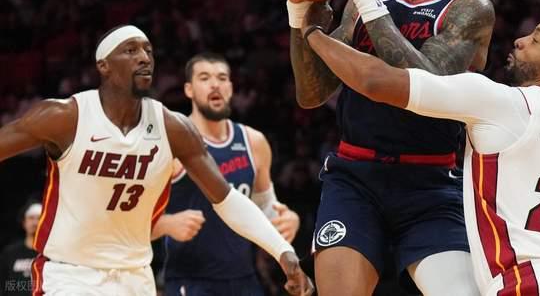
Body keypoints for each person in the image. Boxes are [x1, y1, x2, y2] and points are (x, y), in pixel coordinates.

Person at [270, 0, 495, 296]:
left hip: (431, 184)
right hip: (356, 178)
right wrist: (298, 7)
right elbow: (312, 92)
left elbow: (425, 83)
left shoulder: (470, 8)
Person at [301, 2, 540, 295]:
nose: (520, 40)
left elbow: (374, 81)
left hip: (528, 285)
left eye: (536, 39)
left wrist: (312, 32)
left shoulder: (503, 103)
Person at [0, 25, 313, 296]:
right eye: (131, 50)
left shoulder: (173, 128)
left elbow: (227, 200)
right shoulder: (65, 117)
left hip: (135, 277)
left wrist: (283, 252)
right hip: (69, 273)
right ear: (103, 65)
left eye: (148, 51)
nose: (144, 57)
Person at [152, 52, 301, 296]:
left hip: (245, 279)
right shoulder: (172, 145)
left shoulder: (254, 142)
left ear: (231, 88)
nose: (215, 84)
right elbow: (130, 222)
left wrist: (288, 220)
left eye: (222, 78)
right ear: (189, 90)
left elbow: (265, 207)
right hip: (190, 281)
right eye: (204, 78)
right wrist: (166, 224)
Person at [0, 201, 41, 295]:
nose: (35, 223)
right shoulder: (9, 253)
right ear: (24, 222)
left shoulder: (50, 254)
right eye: (31, 218)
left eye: (39, 218)